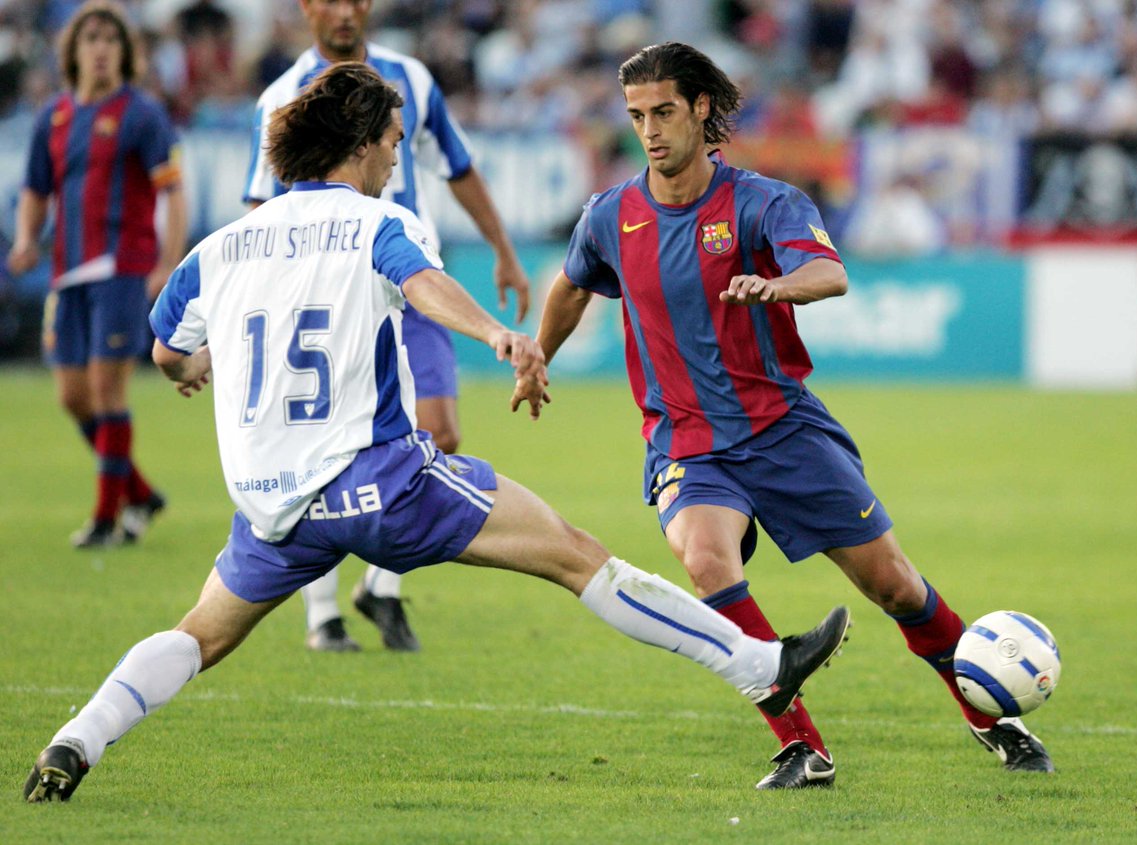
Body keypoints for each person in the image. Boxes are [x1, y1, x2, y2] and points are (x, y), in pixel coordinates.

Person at [22, 63, 850, 803]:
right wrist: (495, 333)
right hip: (379, 485)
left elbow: (167, 349)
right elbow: (421, 287)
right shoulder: (376, 224)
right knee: (575, 554)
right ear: (359, 145)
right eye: (391, 143)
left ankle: (75, 739)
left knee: (198, 634)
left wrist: (193, 366)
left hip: (273, 508)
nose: (394, 161)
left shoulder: (221, 247)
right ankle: (760, 664)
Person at [514, 42, 1054, 789]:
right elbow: (573, 286)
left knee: (896, 587)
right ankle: (802, 746)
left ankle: (991, 715)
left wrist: (779, 287)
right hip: (686, 441)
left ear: (702, 108)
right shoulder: (611, 216)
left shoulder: (762, 203)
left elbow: (829, 271)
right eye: (637, 116)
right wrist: (539, 356)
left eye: (664, 112)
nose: (649, 131)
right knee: (706, 560)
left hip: (783, 430)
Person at [244, 0, 532, 654]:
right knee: (320, 445)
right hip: (329, 294)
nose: (345, 11)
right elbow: (261, 206)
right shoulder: (281, 96)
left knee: (440, 432)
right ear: (307, 7)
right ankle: (323, 615)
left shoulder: (413, 80)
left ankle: (380, 585)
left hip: (410, 279)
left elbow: (458, 167)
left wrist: (504, 251)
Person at [5, 0, 186, 549]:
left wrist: (167, 261)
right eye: (92, 38)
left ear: (125, 52)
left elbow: (172, 190)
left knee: (108, 390)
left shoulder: (142, 114)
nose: (101, 48)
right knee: (72, 396)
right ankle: (141, 494)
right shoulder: (54, 116)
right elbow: (36, 188)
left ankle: (107, 519)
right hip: (68, 272)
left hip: (121, 267)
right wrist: (25, 238)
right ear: (74, 50)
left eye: (111, 39)